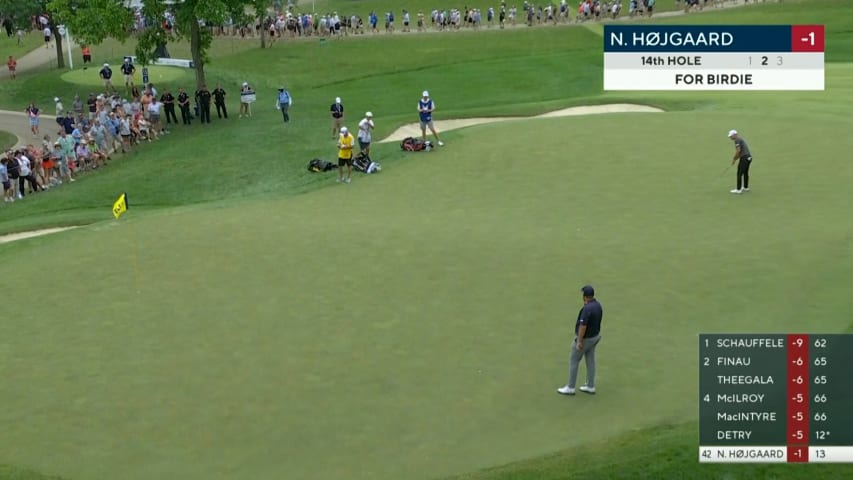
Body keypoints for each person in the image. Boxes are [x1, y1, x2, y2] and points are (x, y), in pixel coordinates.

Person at [558, 285, 603, 396]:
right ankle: (590, 386)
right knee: (590, 360)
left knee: (574, 360)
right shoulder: (598, 305)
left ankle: (570, 387)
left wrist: (579, 341)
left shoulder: (587, 308)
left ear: (584, 297)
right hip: (595, 337)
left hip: (586, 339)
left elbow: (583, 326)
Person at [728, 129, 753, 194]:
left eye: (731, 136)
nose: (730, 137)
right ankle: (745, 187)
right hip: (749, 157)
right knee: (745, 173)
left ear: (734, 135)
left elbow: (738, 151)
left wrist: (734, 158)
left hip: (745, 158)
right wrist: (735, 159)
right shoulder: (740, 139)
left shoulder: (737, 140)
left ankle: (738, 189)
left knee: (739, 173)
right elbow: (740, 152)